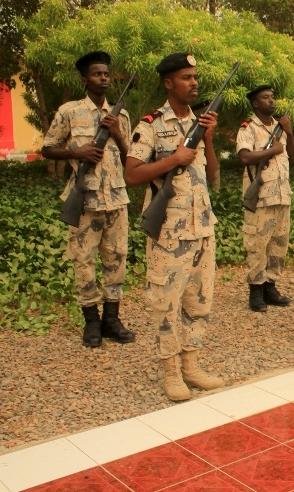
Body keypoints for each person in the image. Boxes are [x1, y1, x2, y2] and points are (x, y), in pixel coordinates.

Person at [125, 53, 224, 401]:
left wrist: (208, 138)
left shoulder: (200, 122)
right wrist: (172, 159)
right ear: (169, 83)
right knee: (166, 304)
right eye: (186, 77)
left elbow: (212, 175)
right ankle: (170, 372)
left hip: (201, 229)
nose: (194, 82)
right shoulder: (151, 125)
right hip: (168, 231)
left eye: (195, 77)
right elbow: (132, 174)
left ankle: (192, 366)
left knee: (199, 302)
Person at [41, 51, 135, 348]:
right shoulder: (69, 112)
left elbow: (132, 153)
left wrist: (117, 132)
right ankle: (91, 322)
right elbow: (48, 148)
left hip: (117, 199)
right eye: (97, 74)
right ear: (85, 79)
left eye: (106, 74)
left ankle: (112, 319)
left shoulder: (121, 115)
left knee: (117, 259)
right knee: (83, 261)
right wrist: (76, 153)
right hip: (84, 199)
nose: (103, 78)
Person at [237, 85, 294, 312]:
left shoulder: (280, 128)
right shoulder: (249, 128)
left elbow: (292, 155)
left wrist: (289, 133)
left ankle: (271, 286)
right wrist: (272, 150)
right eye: (265, 98)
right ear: (255, 103)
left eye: (272, 97)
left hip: (281, 196)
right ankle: (256, 291)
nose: (271, 101)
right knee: (257, 245)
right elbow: (245, 157)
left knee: (279, 244)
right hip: (260, 198)